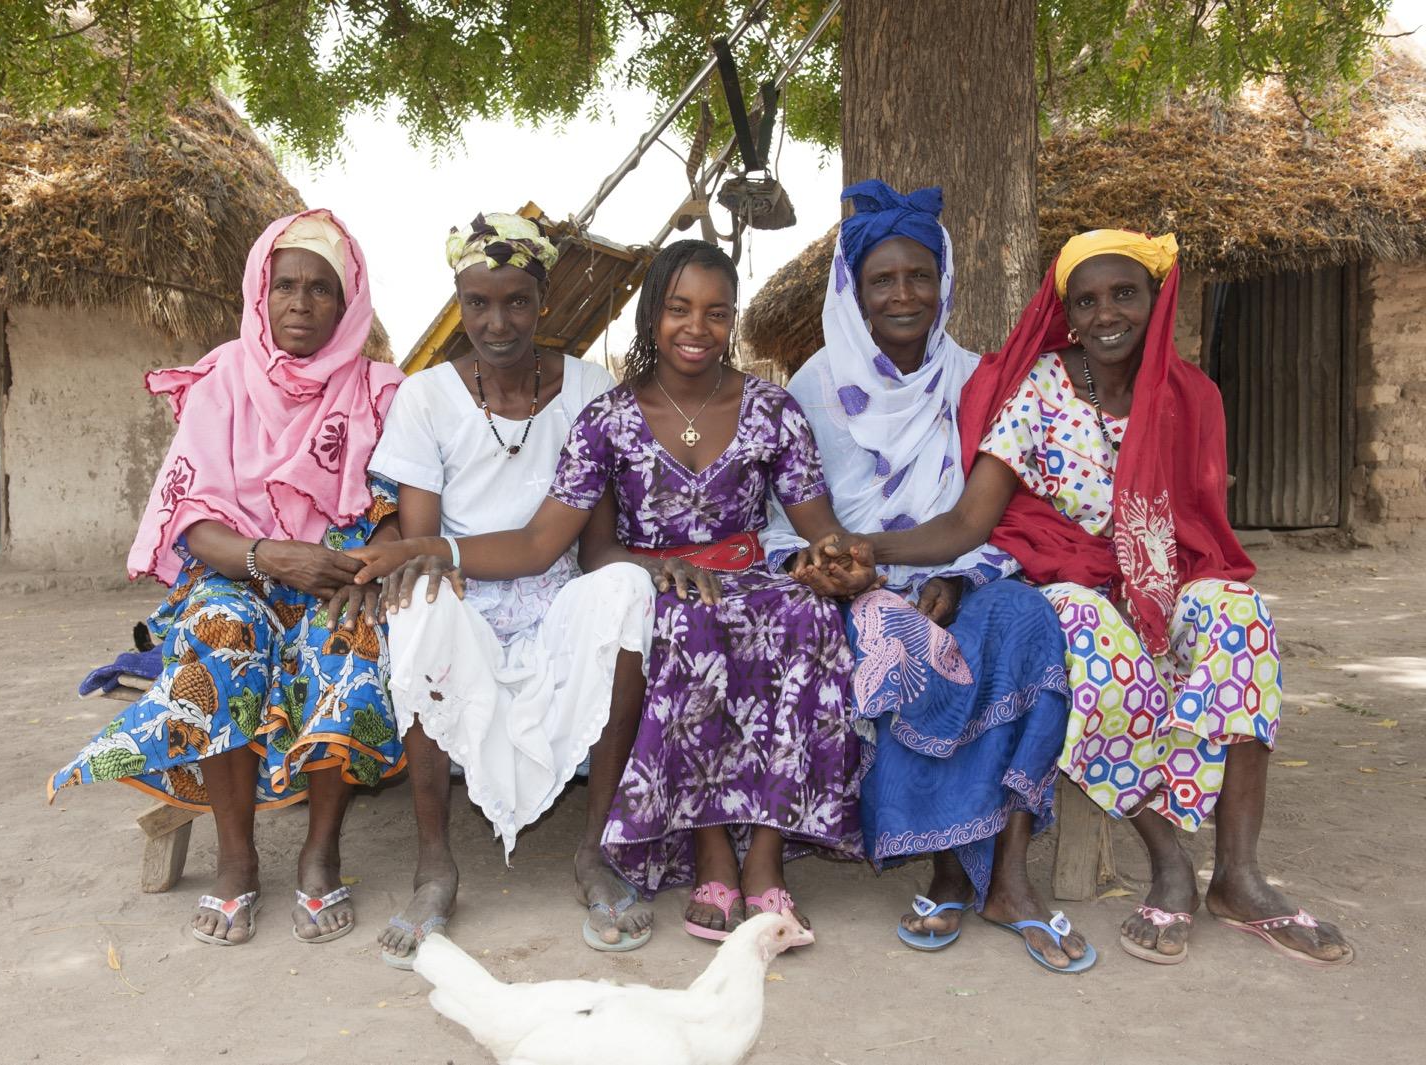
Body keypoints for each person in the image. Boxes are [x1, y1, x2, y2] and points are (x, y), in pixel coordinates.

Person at [851, 228, 1354, 968]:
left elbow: (1200, 526)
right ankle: (1170, 862)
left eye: (1124, 294)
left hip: (1164, 580)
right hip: (1066, 581)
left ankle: (1239, 875)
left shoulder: (1192, 396)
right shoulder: (1042, 389)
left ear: (1157, 298)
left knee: (1242, 617)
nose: (1106, 313)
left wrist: (1162, 593)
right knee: (1090, 629)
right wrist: (867, 550)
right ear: (1068, 313)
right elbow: (968, 522)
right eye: (1085, 301)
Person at [352, 240, 875, 943]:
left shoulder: (772, 409)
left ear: (733, 319)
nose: (697, 327)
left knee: (807, 615)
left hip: (750, 575)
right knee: (685, 622)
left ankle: (766, 858)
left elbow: (820, 529)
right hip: (656, 577)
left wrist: (842, 564)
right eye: (679, 309)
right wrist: (425, 549)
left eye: (717, 313)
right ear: (652, 314)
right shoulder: (609, 416)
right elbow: (564, 544)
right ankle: (712, 852)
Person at [49, 209, 405, 947]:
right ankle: (237, 858)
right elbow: (191, 519)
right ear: (260, 294)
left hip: (338, 574)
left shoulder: (380, 391)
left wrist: (368, 566)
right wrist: (271, 556)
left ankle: (320, 850)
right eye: (285, 286)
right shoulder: (222, 380)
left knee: (349, 637)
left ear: (348, 305)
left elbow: (398, 509)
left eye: (321, 289)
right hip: (237, 570)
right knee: (221, 631)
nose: (300, 303)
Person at [762, 182, 1089, 972]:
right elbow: (786, 525)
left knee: (1025, 621)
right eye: (883, 280)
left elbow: (995, 515)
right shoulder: (813, 387)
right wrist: (836, 571)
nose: (904, 294)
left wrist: (963, 579)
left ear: (944, 282)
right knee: (901, 638)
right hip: (853, 589)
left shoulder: (977, 380)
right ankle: (946, 867)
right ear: (855, 291)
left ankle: (1007, 874)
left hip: (959, 572)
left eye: (919, 276)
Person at [364, 213, 656, 967]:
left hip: (556, 591)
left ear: (543, 301)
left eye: (517, 301)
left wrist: (645, 570)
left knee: (626, 589)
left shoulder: (590, 388)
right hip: (464, 593)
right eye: (478, 303)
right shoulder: (426, 398)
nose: (498, 322)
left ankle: (595, 851)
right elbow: (424, 546)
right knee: (418, 602)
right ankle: (435, 866)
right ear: (459, 304)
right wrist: (441, 565)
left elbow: (590, 543)